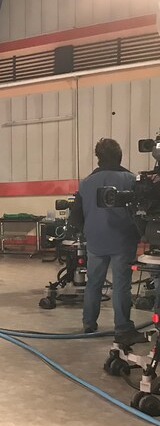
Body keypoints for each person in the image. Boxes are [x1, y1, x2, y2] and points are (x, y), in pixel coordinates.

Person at [70, 137, 144, 345]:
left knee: (94, 283)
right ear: (119, 156)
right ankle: (123, 329)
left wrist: (87, 231)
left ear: (98, 158)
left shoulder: (85, 183)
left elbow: (75, 216)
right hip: (122, 240)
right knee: (121, 286)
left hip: (95, 241)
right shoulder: (131, 180)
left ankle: (89, 324)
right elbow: (141, 212)